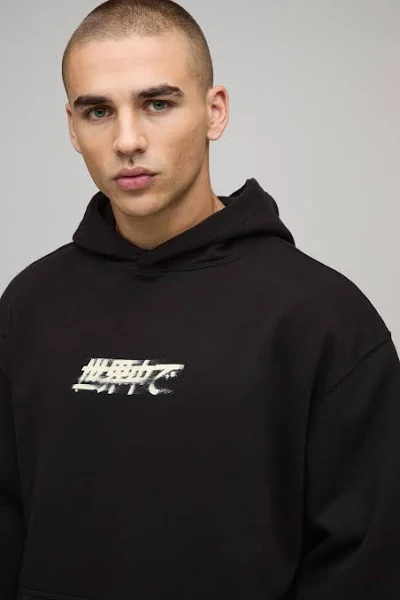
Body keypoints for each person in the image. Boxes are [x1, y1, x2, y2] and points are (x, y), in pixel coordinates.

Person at [1, 0, 399, 598]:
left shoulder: (325, 318)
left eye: (157, 104)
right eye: (98, 111)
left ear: (215, 112)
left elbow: (365, 561)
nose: (127, 140)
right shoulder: (28, 306)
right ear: (72, 127)